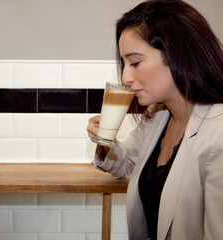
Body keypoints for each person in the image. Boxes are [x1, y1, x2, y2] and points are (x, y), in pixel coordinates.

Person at [87, 0, 223, 239]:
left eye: (135, 63)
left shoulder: (218, 135)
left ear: (176, 55)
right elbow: (126, 163)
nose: (125, 77)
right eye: (124, 64)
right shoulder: (158, 117)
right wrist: (104, 140)